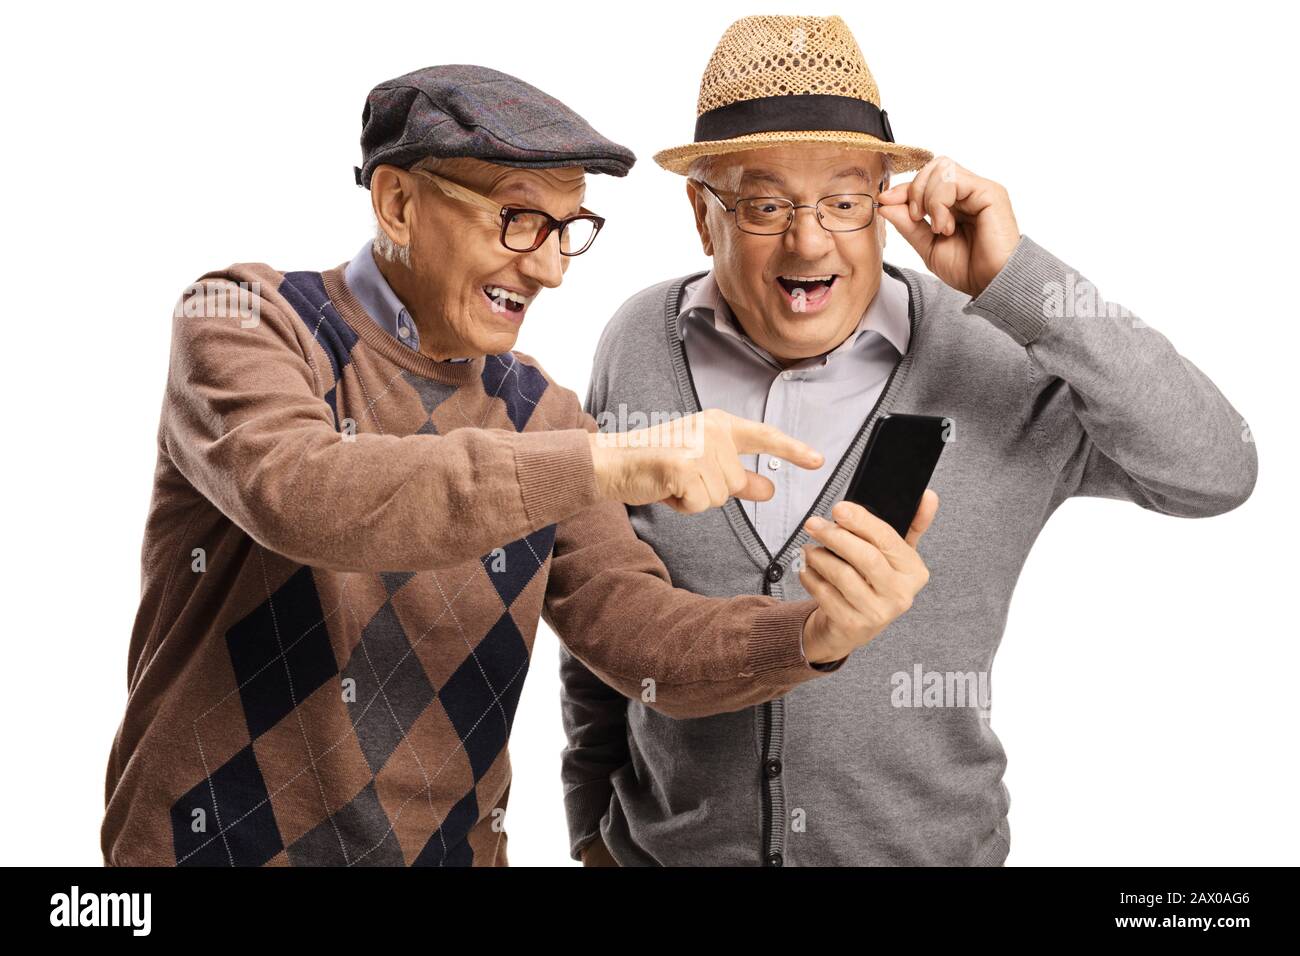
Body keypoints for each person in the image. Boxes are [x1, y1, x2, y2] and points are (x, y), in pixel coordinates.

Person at [100, 63, 937, 867]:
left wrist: (814, 635)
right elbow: (305, 493)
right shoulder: (248, 319)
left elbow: (638, 635)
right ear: (397, 203)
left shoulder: (544, 415)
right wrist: (609, 463)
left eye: (569, 231)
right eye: (520, 220)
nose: (550, 269)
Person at [559, 14, 1258, 867]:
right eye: (764, 203)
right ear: (704, 217)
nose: (809, 239)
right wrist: (589, 830)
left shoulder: (992, 353)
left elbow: (1217, 470)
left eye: (845, 201)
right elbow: (599, 604)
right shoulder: (638, 339)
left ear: (888, 206)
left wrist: (1020, 284)